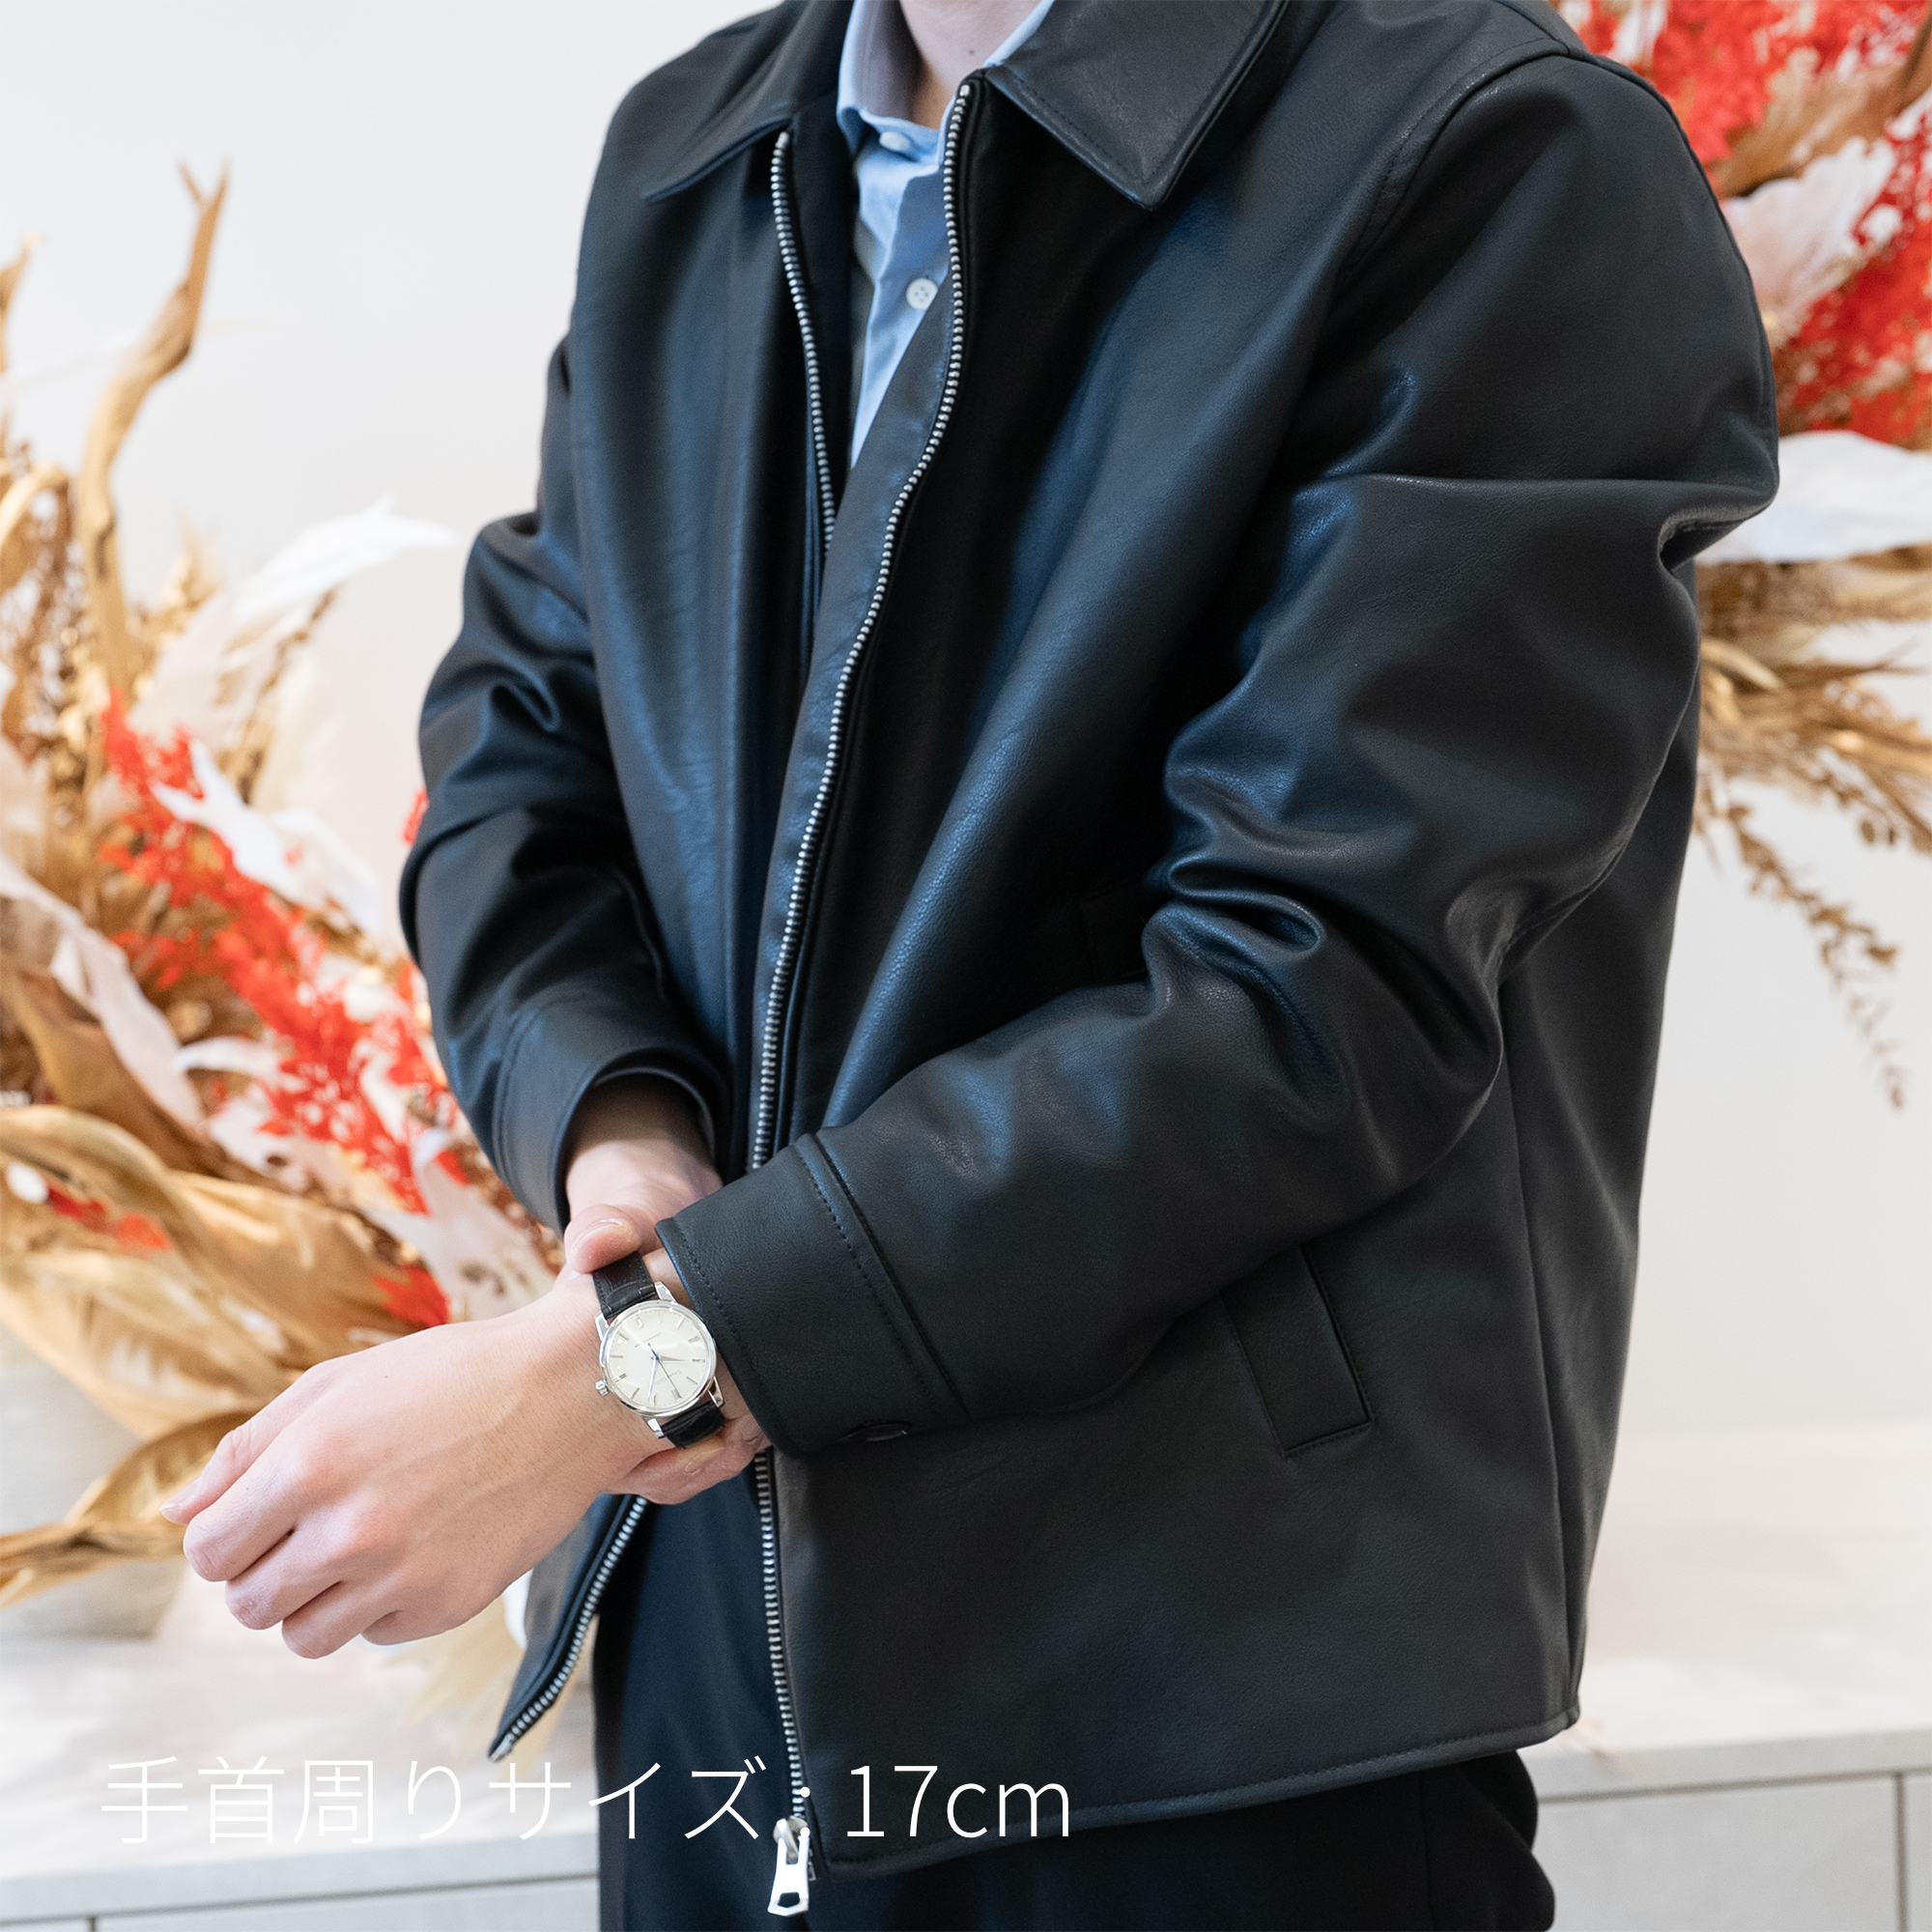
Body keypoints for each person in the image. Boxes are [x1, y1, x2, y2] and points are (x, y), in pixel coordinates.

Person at [160, 0, 1777, 1925]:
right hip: (723, 1690)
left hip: (1208, 1715)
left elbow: (1308, 994)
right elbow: (524, 750)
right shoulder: (700, 149)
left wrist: (628, 1371)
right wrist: (618, 1134)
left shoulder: (1486, 154)